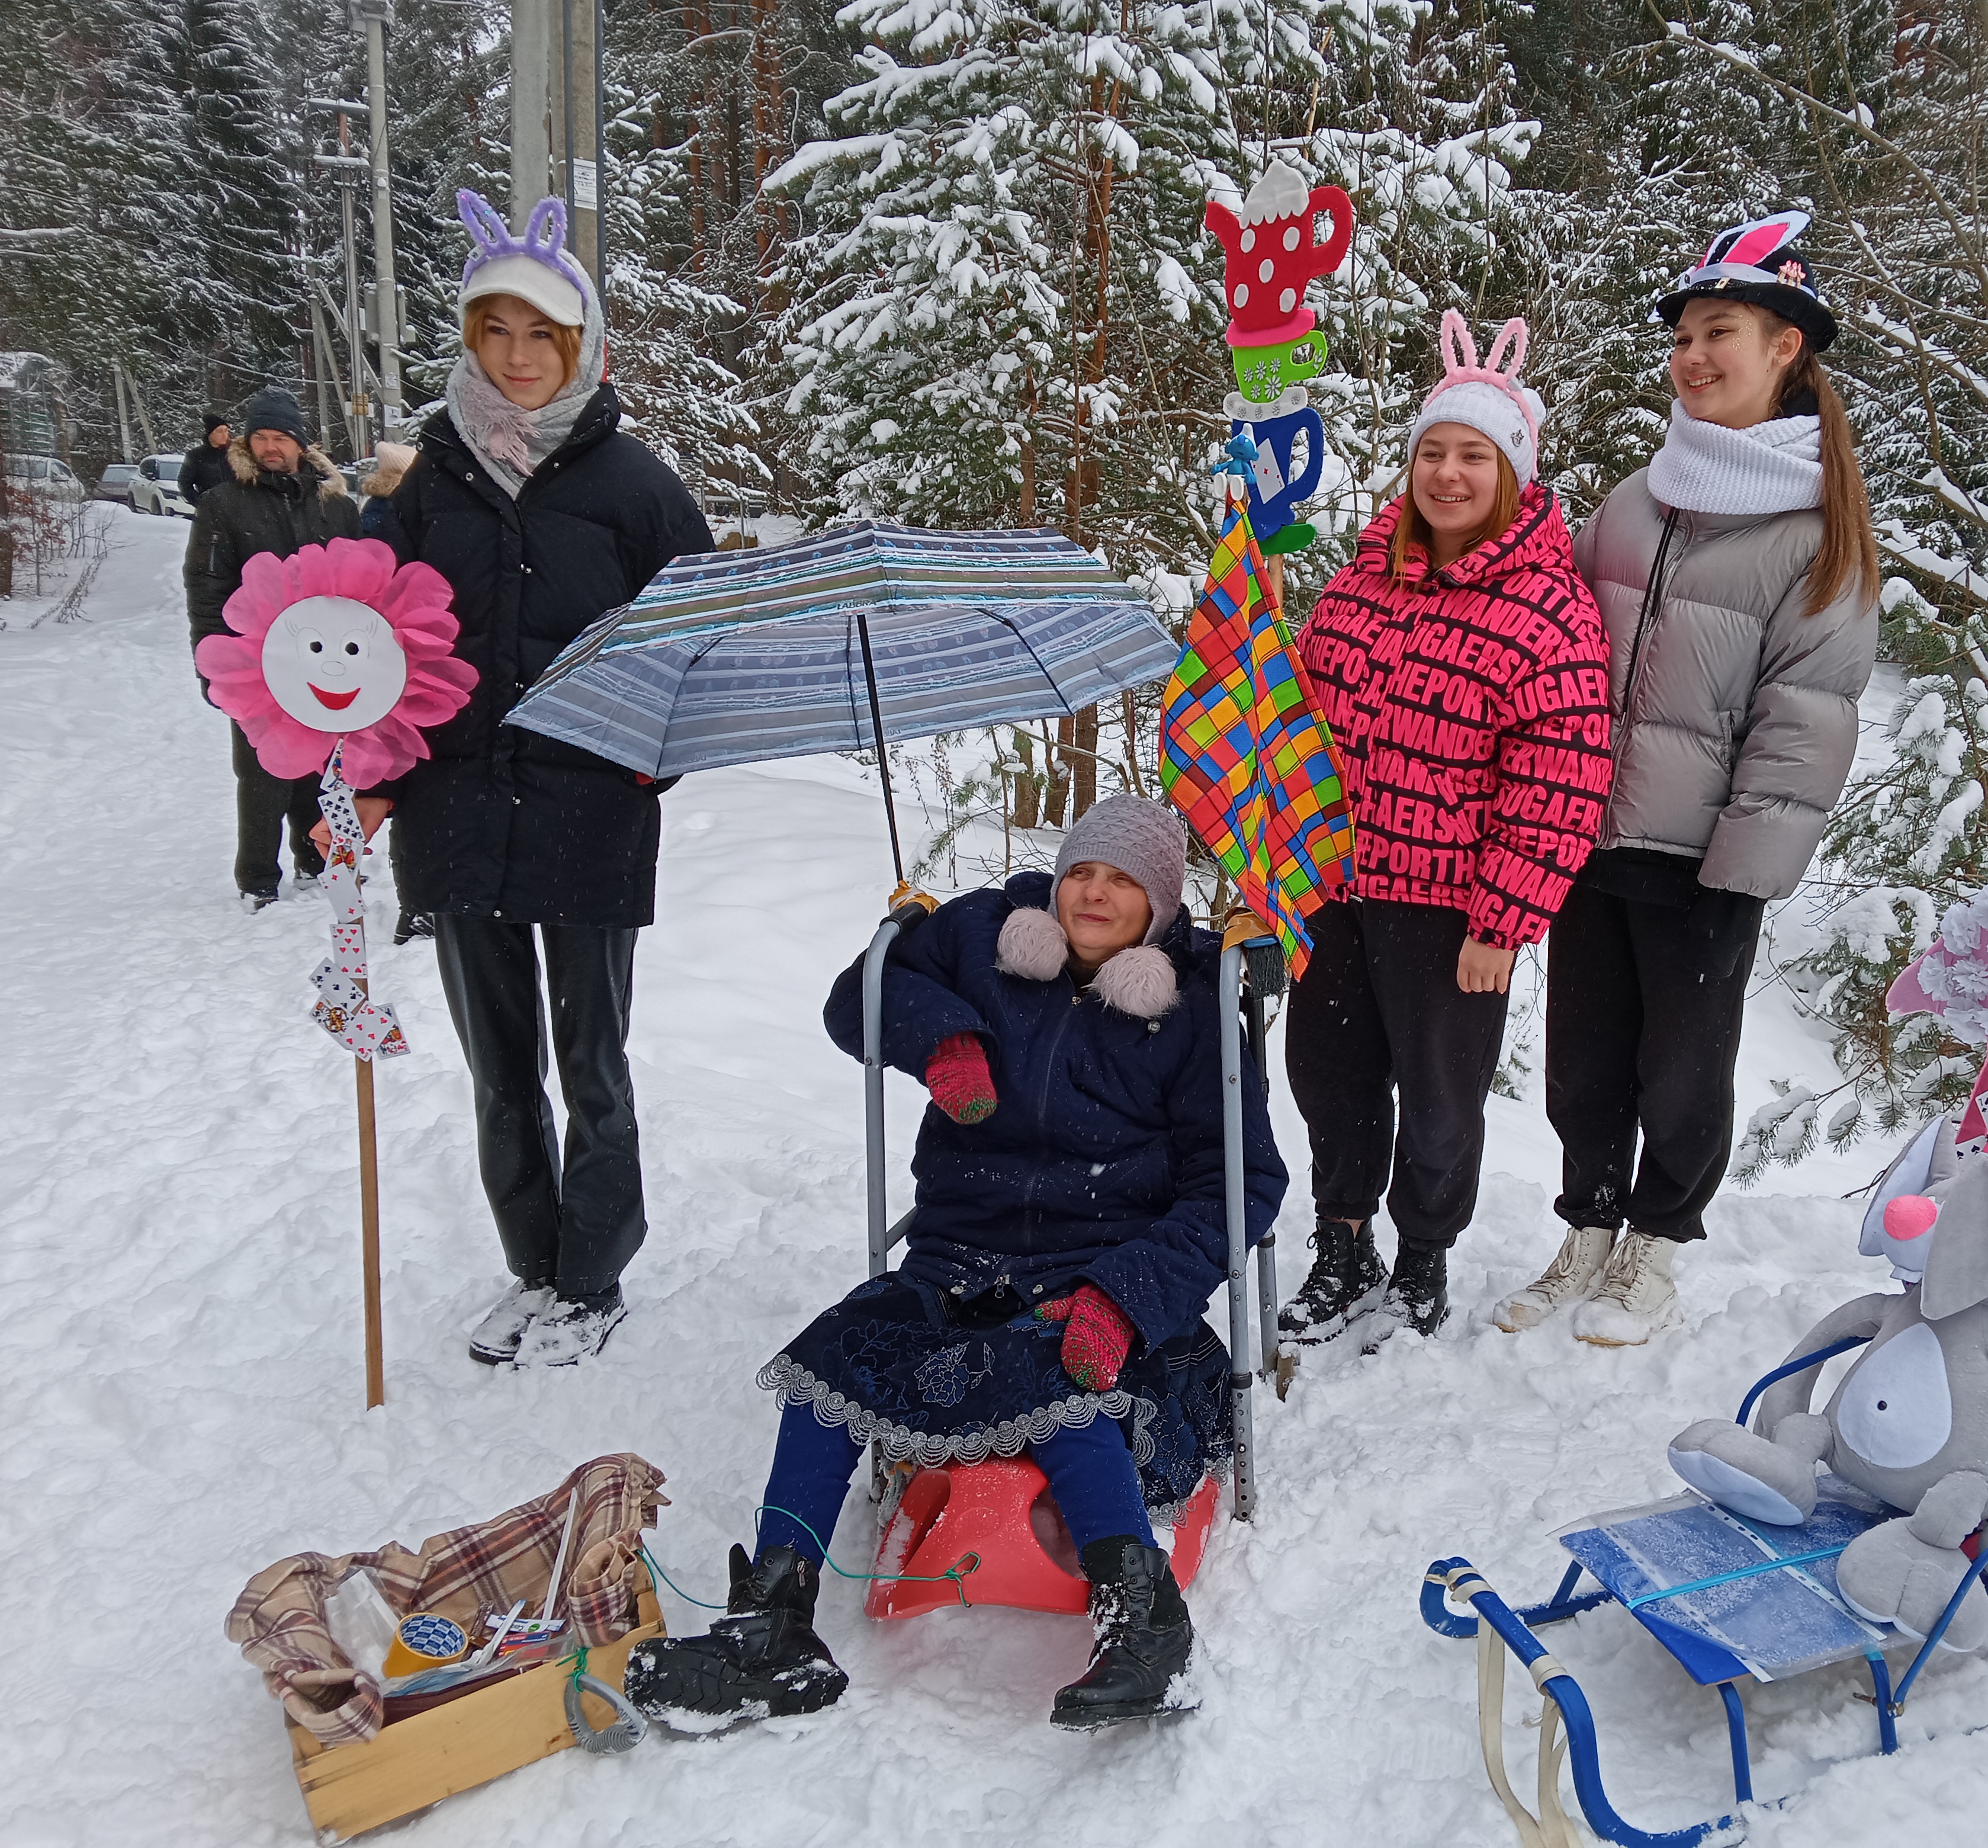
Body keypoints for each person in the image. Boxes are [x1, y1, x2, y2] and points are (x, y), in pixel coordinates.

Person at [625, 797, 1287, 1732]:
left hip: (1096, 1264)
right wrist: (944, 1037)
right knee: (833, 1357)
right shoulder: (987, 933)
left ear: (1163, 902)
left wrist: (1129, 1294)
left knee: (1067, 1377)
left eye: (1122, 880)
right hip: (956, 1252)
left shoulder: (1189, 1005)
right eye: (1081, 872)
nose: (1092, 894)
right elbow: (857, 998)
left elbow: (1243, 1183)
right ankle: (773, 1625)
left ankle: (1146, 1628)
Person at [1495, 212, 1880, 1346]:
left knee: (1682, 1066)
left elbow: (1807, 721)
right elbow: (1543, 637)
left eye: (1722, 332)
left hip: (1701, 855)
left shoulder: (1819, 532)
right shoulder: (1637, 498)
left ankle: (1658, 1244)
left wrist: (1740, 871)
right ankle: (1589, 1228)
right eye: (1684, 337)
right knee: (1584, 1061)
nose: (1694, 356)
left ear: (1785, 352)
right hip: (1586, 833)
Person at [345, 191, 712, 1368]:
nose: (515, 357)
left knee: (589, 1067)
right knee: (502, 1073)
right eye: (494, 332)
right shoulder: (431, 483)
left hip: (589, 814)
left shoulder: (635, 487)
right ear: (470, 340)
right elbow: (377, 648)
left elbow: (698, 635)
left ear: (578, 344)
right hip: (456, 816)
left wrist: (651, 753)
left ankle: (592, 1280)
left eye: (539, 335)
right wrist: (367, 769)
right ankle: (531, 1267)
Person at [1277, 312, 1614, 1344]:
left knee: (1437, 1103)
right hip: (1336, 893)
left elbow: (1561, 781)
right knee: (1329, 1082)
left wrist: (1501, 922)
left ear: (1513, 474)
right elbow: (1301, 728)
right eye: (1433, 452)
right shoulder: (1357, 585)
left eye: (1474, 455)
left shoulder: (1549, 614)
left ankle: (1424, 1254)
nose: (1449, 474)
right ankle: (1343, 1246)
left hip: (1450, 915)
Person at [184, 388, 360, 909]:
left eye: (280, 438)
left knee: (324, 763)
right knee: (261, 773)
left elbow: (359, 585)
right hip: (255, 660)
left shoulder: (337, 505)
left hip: (324, 661)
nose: (270, 447)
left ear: (301, 444)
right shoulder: (223, 503)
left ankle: (315, 857)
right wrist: (212, 665)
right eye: (260, 437)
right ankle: (258, 877)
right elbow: (207, 587)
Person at [179, 411, 235, 506]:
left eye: (226, 431)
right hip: (211, 513)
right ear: (210, 434)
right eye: (220, 432)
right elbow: (184, 485)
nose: (225, 435)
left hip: (237, 511)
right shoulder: (196, 456)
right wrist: (201, 504)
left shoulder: (236, 453)